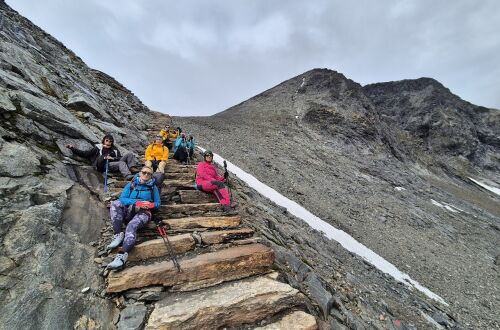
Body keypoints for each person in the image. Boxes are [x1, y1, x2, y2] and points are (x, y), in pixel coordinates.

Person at [106, 166, 161, 269]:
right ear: (140, 173)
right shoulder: (132, 184)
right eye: (144, 172)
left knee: (131, 226)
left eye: (148, 173)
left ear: (151, 176)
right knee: (115, 203)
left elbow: (157, 203)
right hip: (130, 210)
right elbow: (122, 198)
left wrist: (149, 205)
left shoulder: (153, 187)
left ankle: (122, 256)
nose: (146, 175)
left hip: (144, 212)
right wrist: (137, 202)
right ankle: (118, 234)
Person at [65, 134, 136, 178]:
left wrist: (113, 158)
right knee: (121, 163)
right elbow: (85, 154)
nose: (108, 142)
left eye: (110, 141)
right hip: (104, 165)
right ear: (104, 141)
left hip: (115, 162)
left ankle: (132, 168)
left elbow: (120, 158)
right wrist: (72, 148)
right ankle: (127, 175)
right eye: (107, 140)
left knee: (129, 154)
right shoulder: (98, 147)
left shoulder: (114, 149)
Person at [196, 150, 236, 214]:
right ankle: (229, 204)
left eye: (210, 155)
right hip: (201, 183)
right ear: (204, 157)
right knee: (219, 184)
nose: (209, 156)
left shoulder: (213, 167)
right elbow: (202, 174)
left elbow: (217, 178)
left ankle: (226, 208)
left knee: (217, 191)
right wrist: (212, 180)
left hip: (211, 184)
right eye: (207, 155)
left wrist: (224, 177)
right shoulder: (201, 164)